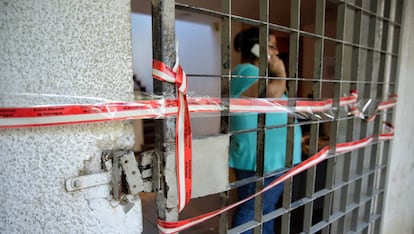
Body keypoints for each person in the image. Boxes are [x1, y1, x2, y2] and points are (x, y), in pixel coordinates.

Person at [230, 27, 302, 234]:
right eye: (271, 46)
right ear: (255, 48)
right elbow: (270, 94)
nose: (276, 52)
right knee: (253, 211)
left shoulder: (251, 73)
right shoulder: (248, 71)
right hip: (264, 160)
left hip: (268, 159)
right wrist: (280, 73)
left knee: (264, 211)